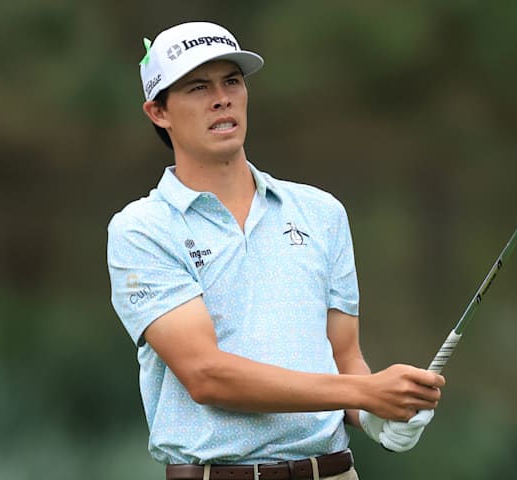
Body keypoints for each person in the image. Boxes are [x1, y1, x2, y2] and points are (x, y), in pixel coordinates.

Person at [107, 21, 446, 480]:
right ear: (158, 112)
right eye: (197, 87)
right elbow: (206, 374)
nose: (221, 98)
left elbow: (344, 357)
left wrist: (375, 416)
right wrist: (364, 392)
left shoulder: (320, 212)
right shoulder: (142, 229)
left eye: (232, 81)